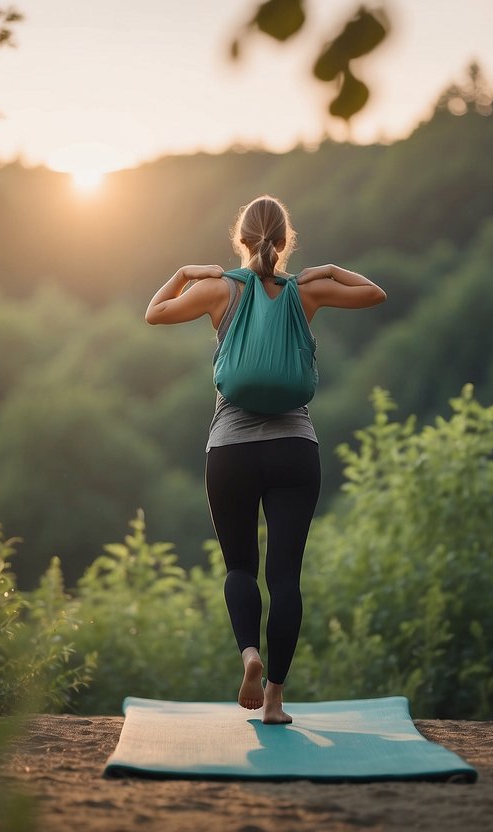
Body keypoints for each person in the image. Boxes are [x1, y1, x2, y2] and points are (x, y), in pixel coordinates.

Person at [145, 195, 385, 724]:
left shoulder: (219, 290)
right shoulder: (306, 292)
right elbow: (374, 293)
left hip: (230, 450)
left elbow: (154, 313)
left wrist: (185, 272)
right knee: (285, 578)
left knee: (239, 568)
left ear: (241, 238)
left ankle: (248, 654)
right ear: (285, 240)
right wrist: (329, 270)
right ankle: (274, 699)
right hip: (295, 450)